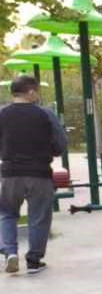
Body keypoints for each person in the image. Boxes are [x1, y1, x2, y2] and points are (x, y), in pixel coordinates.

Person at [0, 76, 67, 274]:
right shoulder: (45, 114)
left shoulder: (2, 114)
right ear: (30, 92)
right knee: (38, 217)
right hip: (39, 174)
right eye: (36, 91)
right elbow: (60, 145)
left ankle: (10, 252)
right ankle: (33, 261)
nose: (37, 95)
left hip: (10, 173)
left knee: (7, 214)